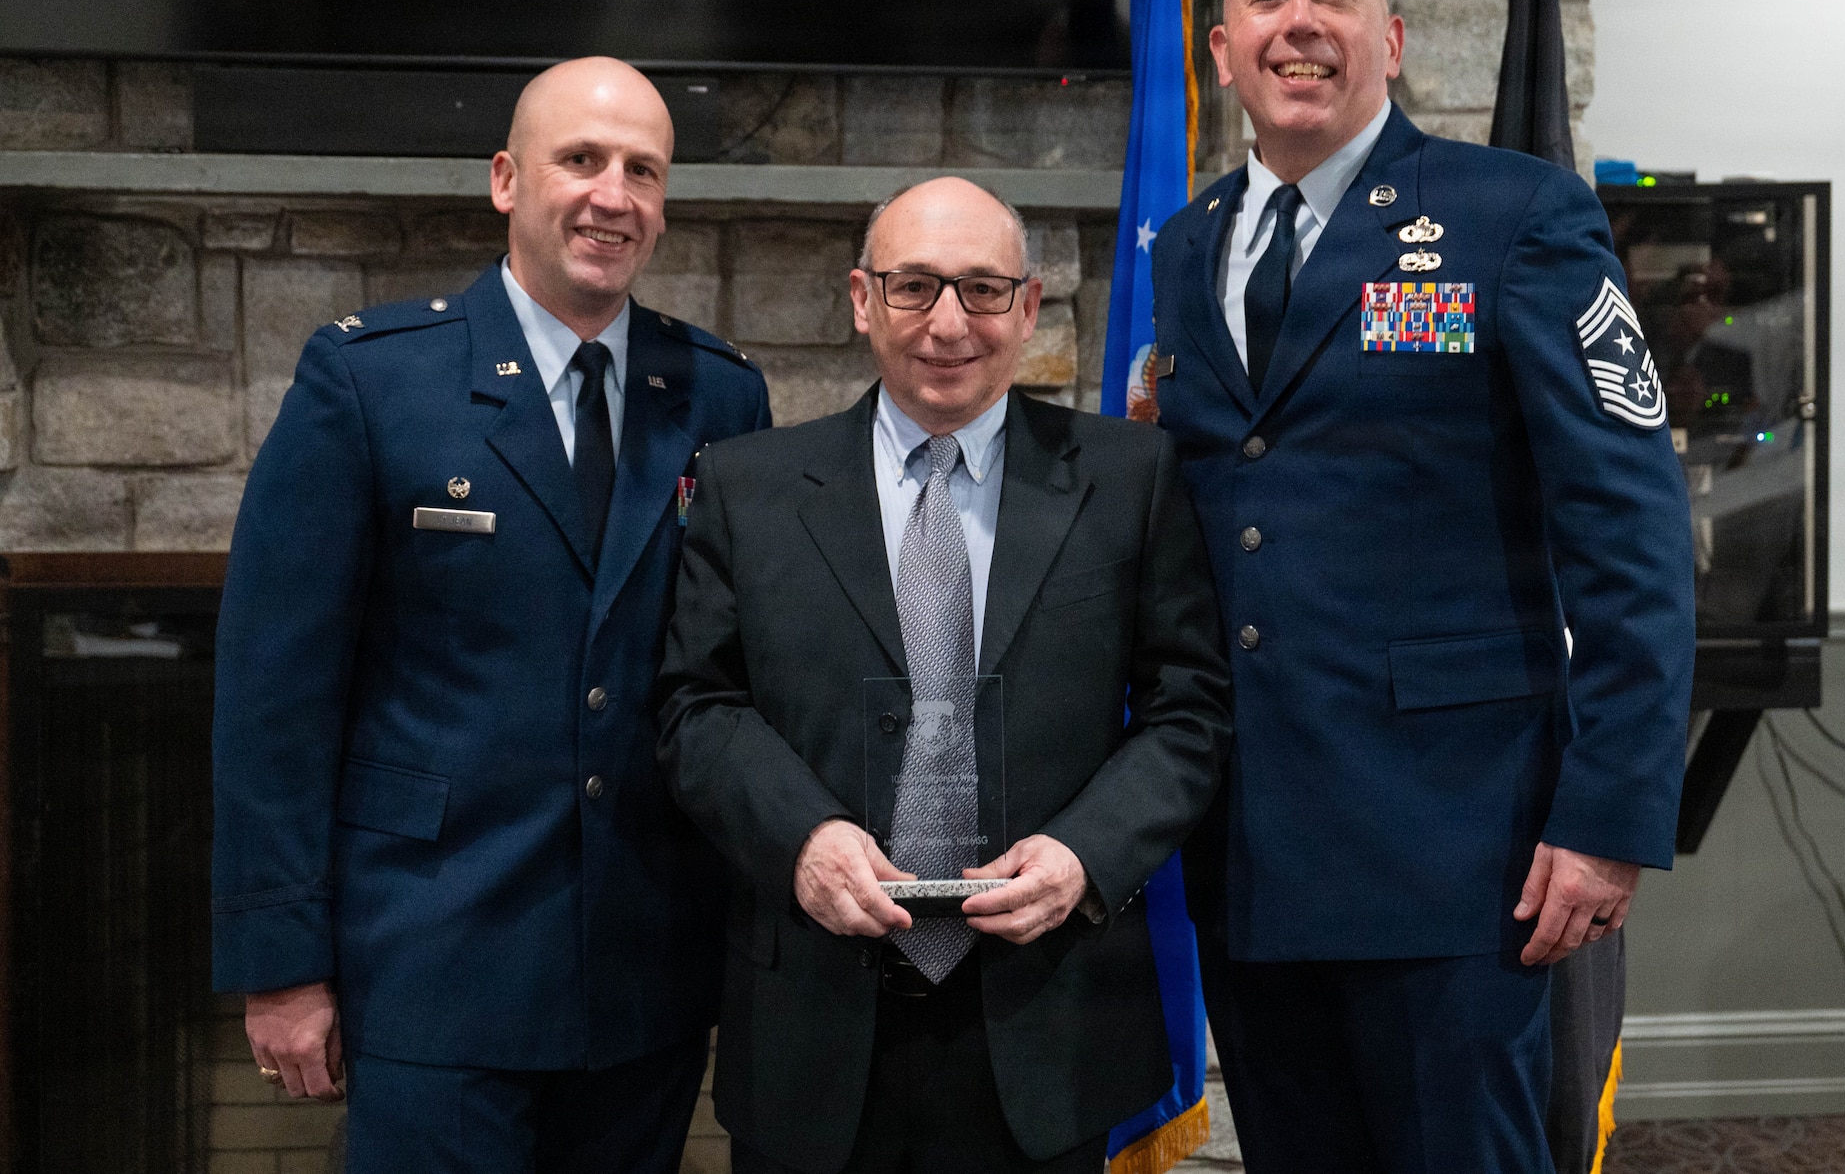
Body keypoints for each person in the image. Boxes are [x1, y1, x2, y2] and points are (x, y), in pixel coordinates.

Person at [1146, 0, 1695, 1173]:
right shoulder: (1183, 251)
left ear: (1386, 40)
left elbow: (1631, 529)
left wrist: (1609, 811)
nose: (1299, 21)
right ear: (1221, 51)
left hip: (1459, 849)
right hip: (1250, 848)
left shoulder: (1515, 215)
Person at [209, 57, 770, 1172]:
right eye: (581, 160)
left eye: (642, 171)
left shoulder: (717, 394)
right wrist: (279, 960)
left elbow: (731, 667)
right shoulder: (371, 381)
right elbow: (275, 696)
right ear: (507, 179)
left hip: (642, 972)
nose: (613, 194)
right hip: (430, 962)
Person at [656, 177, 1232, 1174]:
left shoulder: (1127, 478)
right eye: (914, 285)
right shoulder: (746, 485)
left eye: (980, 288)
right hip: (814, 1022)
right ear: (860, 299)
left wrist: (1085, 854)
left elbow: (1189, 711)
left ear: (1026, 303)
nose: (948, 322)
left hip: (1046, 1023)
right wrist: (798, 837)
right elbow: (695, 706)